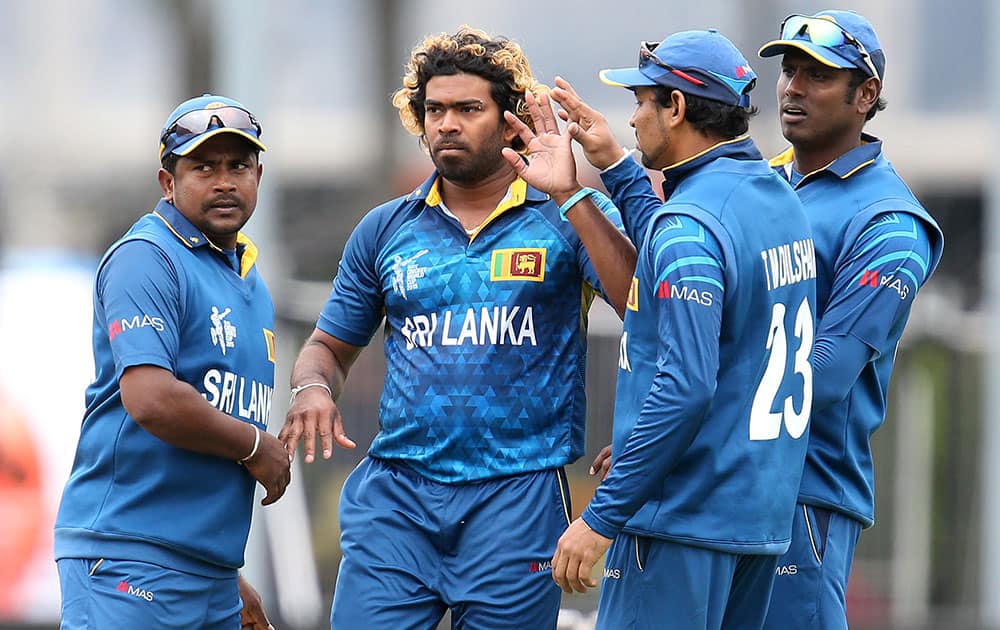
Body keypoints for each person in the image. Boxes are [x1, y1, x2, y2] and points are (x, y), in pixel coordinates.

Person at [277, 26, 635, 629]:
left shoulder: (565, 216)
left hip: (517, 502)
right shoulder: (386, 228)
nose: (447, 123)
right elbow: (327, 349)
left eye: (468, 109)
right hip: (397, 501)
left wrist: (573, 195)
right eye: (435, 110)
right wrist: (311, 388)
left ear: (508, 118)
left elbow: (645, 309)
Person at [514, 30, 818, 628]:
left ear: (676, 107)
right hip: (755, 520)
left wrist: (600, 518)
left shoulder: (691, 224)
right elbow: (680, 250)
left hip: (681, 521)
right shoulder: (776, 199)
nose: (631, 120)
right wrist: (609, 171)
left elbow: (684, 388)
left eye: (642, 103)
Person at [54, 94, 290, 630]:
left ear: (259, 175)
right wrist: (257, 447)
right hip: (128, 556)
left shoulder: (246, 276)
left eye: (239, 166)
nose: (225, 181)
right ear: (168, 182)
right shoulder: (148, 256)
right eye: (203, 167)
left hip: (203, 572)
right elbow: (153, 399)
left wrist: (222, 578)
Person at [754, 11, 944, 628]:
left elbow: (825, 373)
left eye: (818, 75)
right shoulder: (760, 184)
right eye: (789, 71)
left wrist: (694, 415)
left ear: (866, 96)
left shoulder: (890, 222)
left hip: (804, 495)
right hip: (724, 479)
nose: (793, 88)